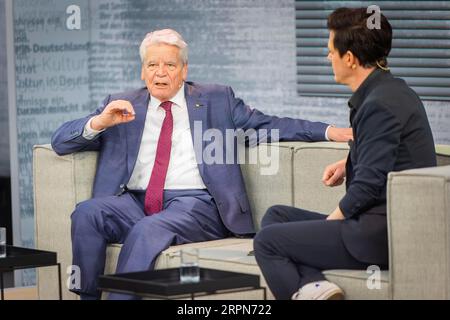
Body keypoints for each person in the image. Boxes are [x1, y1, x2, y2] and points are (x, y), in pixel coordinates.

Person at [51, 28, 352, 300]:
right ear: (142, 71)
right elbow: (60, 142)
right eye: (152, 65)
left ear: (184, 70)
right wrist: (100, 122)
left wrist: (328, 131)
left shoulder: (216, 99)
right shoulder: (121, 103)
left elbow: (267, 124)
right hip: (134, 201)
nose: (160, 72)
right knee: (87, 212)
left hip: (196, 206)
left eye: (169, 65)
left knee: (147, 230)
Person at [254, 7, 437, 300]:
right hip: (380, 225)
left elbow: (370, 183)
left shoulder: (378, 104)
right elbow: (389, 152)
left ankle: (307, 290)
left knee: (267, 242)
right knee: (277, 215)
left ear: (349, 58)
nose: (329, 58)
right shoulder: (394, 90)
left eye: (330, 51)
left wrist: (330, 223)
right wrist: (348, 162)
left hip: (379, 235)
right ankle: (317, 288)